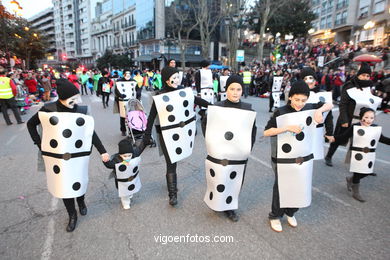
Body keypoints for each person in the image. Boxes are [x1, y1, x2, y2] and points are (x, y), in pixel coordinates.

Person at [27, 79, 109, 232]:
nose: (77, 101)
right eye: (73, 98)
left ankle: (81, 201)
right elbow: (30, 124)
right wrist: (39, 144)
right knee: (64, 186)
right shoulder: (48, 109)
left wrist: (102, 151)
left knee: (79, 180)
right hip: (58, 158)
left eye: (77, 97)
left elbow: (91, 133)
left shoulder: (80, 110)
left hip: (78, 156)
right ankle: (72, 215)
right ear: (62, 98)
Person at [264, 80, 333, 232]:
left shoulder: (309, 107)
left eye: (303, 100)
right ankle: (275, 215)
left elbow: (330, 104)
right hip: (281, 156)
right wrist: (285, 128)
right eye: (296, 99)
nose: (300, 103)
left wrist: (319, 111)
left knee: (300, 184)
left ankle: (291, 212)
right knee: (281, 186)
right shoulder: (280, 112)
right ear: (290, 97)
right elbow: (266, 132)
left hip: (303, 156)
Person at [143, 66, 209, 206]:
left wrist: (213, 106)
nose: (177, 80)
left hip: (182, 132)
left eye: (178, 77)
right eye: (174, 78)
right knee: (171, 163)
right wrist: (147, 134)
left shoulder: (183, 92)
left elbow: (197, 101)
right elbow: (151, 117)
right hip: (167, 134)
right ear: (167, 80)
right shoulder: (159, 97)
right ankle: (172, 195)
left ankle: (171, 187)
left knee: (176, 160)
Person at [201, 74, 257, 222]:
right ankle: (217, 202)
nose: (235, 92)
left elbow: (252, 130)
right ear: (226, 90)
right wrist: (211, 142)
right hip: (220, 151)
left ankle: (230, 208)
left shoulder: (248, 109)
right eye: (232, 89)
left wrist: (247, 147)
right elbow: (206, 124)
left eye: (238, 89)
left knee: (235, 179)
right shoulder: (217, 108)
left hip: (238, 153)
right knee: (219, 177)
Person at [326, 107, 390, 202]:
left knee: (367, 172)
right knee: (358, 171)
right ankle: (356, 191)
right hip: (357, 153)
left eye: (371, 118)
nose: (369, 120)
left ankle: (350, 180)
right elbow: (344, 137)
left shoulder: (375, 128)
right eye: (366, 117)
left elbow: (383, 139)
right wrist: (333, 138)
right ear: (361, 117)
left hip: (369, 155)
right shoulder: (355, 126)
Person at [324, 62, 381, 166]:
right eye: (363, 75)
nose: (365, 77)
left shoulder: (369, 87)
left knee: (360, 141)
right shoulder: (350, 85)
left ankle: (358, 163)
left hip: (362, 119)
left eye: (368, 75)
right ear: (359, 74)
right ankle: (328, 156)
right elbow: (343, 104)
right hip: (348, 117)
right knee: (338, 138)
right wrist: (344, 119)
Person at [300, 67, 334, 160]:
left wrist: (329, 132)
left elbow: (328, 116)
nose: (308, 81)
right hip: (300, 131)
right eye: (305, 79)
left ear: (315, 80)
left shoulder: (323, 95)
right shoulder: (297, 95)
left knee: (310, 158)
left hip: (316, 133)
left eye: (311, 78)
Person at [103, 138, 142, 209]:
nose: (127, 158)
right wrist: (105, 160)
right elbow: (109, 165)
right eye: (124, 156)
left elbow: (141, 148)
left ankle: (129, 193)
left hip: (131, 178)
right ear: (120, 155)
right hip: (121, 181)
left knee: (130, 190)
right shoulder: (116, 160)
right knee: (124, 194)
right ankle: (125, 202)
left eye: (129, 155)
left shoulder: (134, 155)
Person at [115, 70, 137, 135]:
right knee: (123, 116)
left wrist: (138, 93)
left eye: (129, 73)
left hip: (131, 100)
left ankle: (132, 129)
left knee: (132, 115)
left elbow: (137, 89)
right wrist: (120, 95)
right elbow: (116, 90)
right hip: (122, 100)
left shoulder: (133, 81)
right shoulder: (119, 81)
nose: (127, 75)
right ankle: (123, 130)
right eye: (126, 74)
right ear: (123, 74)